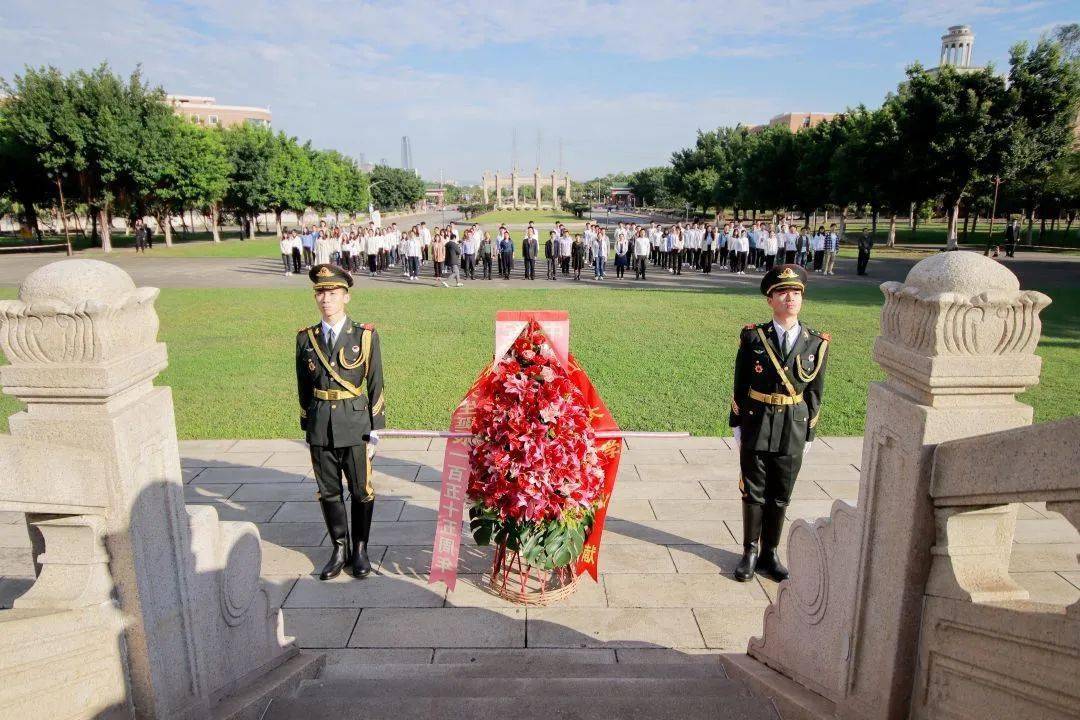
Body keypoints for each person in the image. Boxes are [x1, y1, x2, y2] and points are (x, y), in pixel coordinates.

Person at [729, 264, 829, 584]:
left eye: (796, 293)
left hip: (793, 426)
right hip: (757, 422)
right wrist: (737, 425)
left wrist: (810, 433)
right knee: (753, 493)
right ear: (770, 299)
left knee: (781, 494)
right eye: (783, 292)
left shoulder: (816, 343)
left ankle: (771, 553)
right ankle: (750, 551)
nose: (791, 298)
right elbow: (740, 384)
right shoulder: (753, 337)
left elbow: (815, 393)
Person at [295, 264, 385, 581]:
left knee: (361, 491)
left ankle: (359, 550)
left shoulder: (365, 336)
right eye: (320, 293)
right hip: (321, 427)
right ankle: (339, 548)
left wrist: (376, 431)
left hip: (355, 424)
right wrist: (309, 428)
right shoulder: (306, 338)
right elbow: (304, 389)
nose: (325, 299)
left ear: (345, 296)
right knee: (329, 492)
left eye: (332, 293)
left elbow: (375, 385)